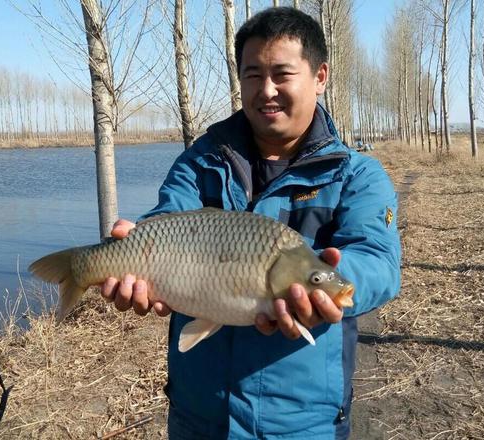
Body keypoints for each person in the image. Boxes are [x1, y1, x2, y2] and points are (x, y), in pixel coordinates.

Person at [100, 7, 401, 439]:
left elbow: (378, 262)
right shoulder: (200, 163)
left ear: (320, 76)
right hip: (199, 415)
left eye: (282, 74)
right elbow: (166, 219)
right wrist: (136, 258)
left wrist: (326, 283)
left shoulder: (356, 175)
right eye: (253, 75)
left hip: (302, 422)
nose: (267, 90)